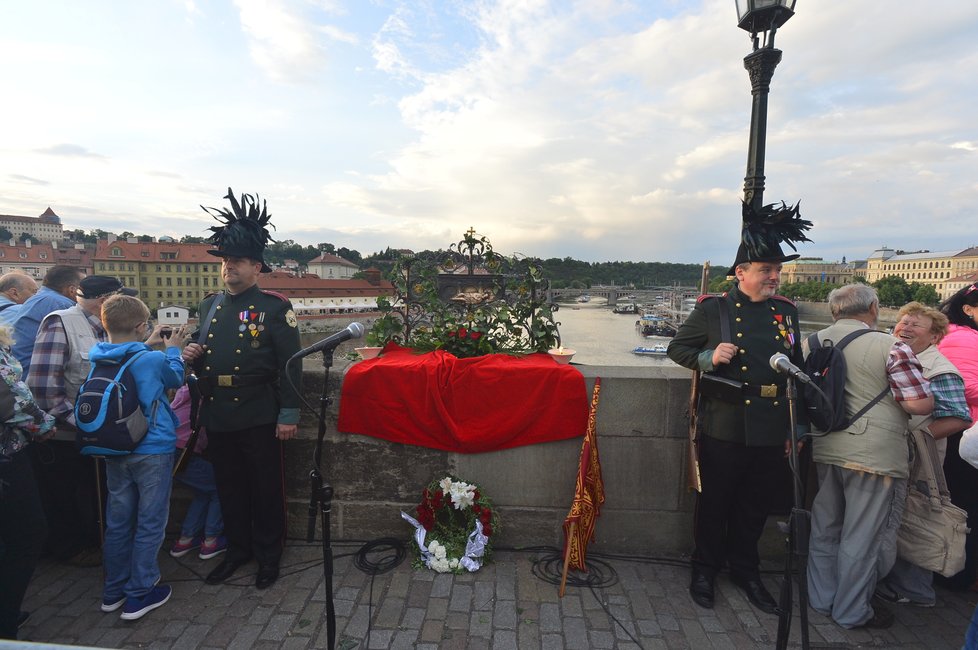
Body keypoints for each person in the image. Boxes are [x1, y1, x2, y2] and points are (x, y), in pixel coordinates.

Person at [667, 200, 811, 614]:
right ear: (741, 273)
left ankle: (746, 571)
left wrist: (795, 428)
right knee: (715, 502)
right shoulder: (715, 310)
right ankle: (705, 568)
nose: (774, 277)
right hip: (725, 424)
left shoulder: (785, 312)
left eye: (777, 271)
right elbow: (679, 348)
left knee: (755, 506)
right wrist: (709, 357)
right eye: (766, 270)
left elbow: (795, 371)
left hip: (771, 427)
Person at [182, 188, 301, 589]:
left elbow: (290, 364)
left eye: (237, 261)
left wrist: (289, 413)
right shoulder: (209, 306)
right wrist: (191, 352)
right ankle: (238, 550)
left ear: (256, 266)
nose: (228, 266)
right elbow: (203, 352)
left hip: (258, 411)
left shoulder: (274, 306)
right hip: (219, 413)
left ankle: (269, 555)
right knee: (229, 488)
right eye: (225, 261)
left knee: (266, 489)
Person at [806, 284, 933, 629]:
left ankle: (820, 599)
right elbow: (918, 403)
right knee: (861, 536)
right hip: (873, 455)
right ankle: (851, 611)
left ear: (834, 310)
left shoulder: (811, 343)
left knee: (825, 527)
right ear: (873, 308)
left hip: (825, 445)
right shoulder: (891, 346)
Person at [26, 275, 138, 563]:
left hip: (97, 437)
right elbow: (43, 390)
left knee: (95, 499)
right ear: (104, 302)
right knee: (67, 501)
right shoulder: (59, 322)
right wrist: (90, 425)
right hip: (65, 438)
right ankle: (70, 554)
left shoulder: (105, 328)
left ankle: (94, 545)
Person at [91, 295, 187, 620]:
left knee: (118, 522)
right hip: (151, 448)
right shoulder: (150, 359)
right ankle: (140, 592)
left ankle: (113, 591)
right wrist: (173, 348)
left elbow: (131, 357)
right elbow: (175, 377)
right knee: (150, 521)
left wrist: (145, 340)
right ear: (141, 325)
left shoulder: (99, 357)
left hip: (114, 447)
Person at [875, 302, 971, 607]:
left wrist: (916, 438)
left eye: (916, 325)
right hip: (896, 454)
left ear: (934, 336)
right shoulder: (899, 356)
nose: (905, 328)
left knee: (913, 521)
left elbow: (959, 416)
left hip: (920, 461)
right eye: (903, 322)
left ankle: (915, 592)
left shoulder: (940, 369)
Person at [0, 324, 56, 639]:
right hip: (5, 456)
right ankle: (4, 623)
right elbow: (9, 396)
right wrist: (42, 424)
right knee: (27, 533)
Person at [935, 281, 978, 592]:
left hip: (965, 436)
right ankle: (959, 575)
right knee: (966, 508)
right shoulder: (964, 338)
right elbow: (960, 387)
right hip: (963, 438)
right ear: (969, 309)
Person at [168, 383, 226, 561]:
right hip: (183, 452)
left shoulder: (184, 390)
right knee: (220, 487)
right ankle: (211, 540)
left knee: (202, 492)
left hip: (170, 450)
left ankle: (186, 539)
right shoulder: (204, 391)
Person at [11, 265, 83, 376]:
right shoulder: (60, 304)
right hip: (34, 377)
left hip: (19, 373)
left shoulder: (39, 298)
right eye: (83, 288)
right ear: (72, 290)